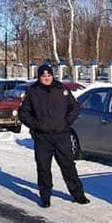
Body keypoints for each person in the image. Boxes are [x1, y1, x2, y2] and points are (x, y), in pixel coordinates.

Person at [18, 63, 89, 208]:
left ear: (52, 76)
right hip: (42, 137)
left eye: (49, 75)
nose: (46, 78)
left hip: (61, 135)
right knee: (44, 168)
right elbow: (23, 114)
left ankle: (78, 195)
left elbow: (74, 107)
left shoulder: (61, 89)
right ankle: (45, 197)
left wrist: (66, 122)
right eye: (43, 76)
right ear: (39, 77)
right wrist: (36, 125)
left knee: (68, 165)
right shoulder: (33, 91)